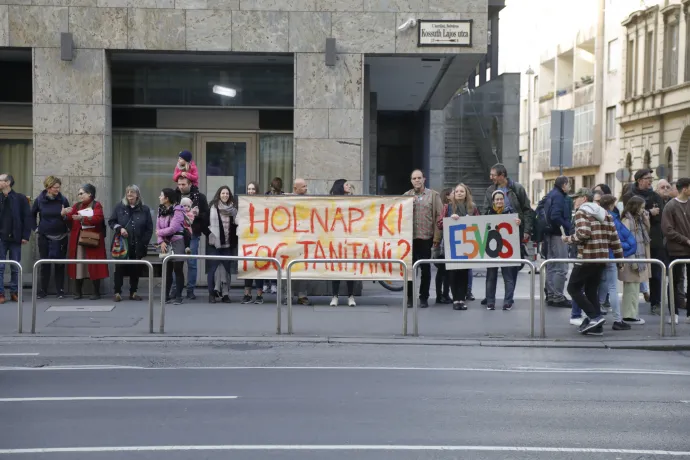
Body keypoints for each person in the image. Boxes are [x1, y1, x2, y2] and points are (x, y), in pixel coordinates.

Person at [562, 188, 623, 336]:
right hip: (601, 259)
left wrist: (568, 239)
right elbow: (615, 239)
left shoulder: (582, 212)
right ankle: (597, 327)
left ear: (583, 198)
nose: (573, 201)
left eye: (575, 198)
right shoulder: (606, 214)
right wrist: (620, 259)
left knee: (573, 288)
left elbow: (583, 233)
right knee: (590, 291)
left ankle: (595, 317)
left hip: (587, 258)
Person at [623, 169, 665, 315]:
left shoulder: (655, 196)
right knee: (633, 272)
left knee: (657, 272)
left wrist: (648, 214)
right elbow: (630, 214)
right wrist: (649, 212)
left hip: (653, 240)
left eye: (651, 179)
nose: (650, 181)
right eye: (648, 178)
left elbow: (660, 216)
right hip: (636, 241)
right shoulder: (629, 196)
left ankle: (656, 302)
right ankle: (631, 308)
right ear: (639, 180)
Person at [404, 169, 443, 309]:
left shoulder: (433, 195)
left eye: (419, 178)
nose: (417, 180)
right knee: (409, 270)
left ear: (424, 179)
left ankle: (424, 297)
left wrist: (437, 237)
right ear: (411, 181)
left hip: (427, 238)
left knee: (426, 270)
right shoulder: (406, 196)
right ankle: (409, 297)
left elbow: (440, 216)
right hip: (410, 239)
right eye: (414, 178)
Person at [437, 183, 479, 311]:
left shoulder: (472, 208)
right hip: (451, 245)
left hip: (467, 245)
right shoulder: (447, 207)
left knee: (464, 272)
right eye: (457, 191)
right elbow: (439, 223)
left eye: (462, 191)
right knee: (453, 272)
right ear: (453, 194)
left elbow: (479, 223)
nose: (459, 193)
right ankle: (456, 299)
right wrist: (449, 219)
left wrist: (470, 220)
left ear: (466, 193)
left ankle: (462, 299)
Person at [108, 185, 153, 302]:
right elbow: (112, 221)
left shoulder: (145, 209)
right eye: (127, 192)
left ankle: (133, 292)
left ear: (137, 194)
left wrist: (144, 243)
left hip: (137, 244)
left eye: (132, 192)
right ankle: (117, 292)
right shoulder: (119, 207)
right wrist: (120, 229)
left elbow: (149, 229)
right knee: (119, 268)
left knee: (135, 269)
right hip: (122, 244)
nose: (129, 195)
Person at [63, 184, 108, 300]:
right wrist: (64, 214)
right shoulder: (77, 206)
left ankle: (96, 292)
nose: (80, 196)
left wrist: (83, 218)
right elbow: (69, 217)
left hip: (92, 239)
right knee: (78, 265)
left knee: (94, 265)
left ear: (90, 194)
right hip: (78, 240)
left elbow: (98, 218)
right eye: (79, 194)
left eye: (82, 193)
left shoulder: (96, 205)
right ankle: (78, 292)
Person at [598, 194, 634, 331]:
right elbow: (619, 239)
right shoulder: (613, 218)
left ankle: (594, 316)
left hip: (598, 256)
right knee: (612, 287)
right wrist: (622, 256)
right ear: (612, 205)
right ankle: (617, 319)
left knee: (602, 285)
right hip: (611, 256)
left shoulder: (597, 216)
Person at [32, 176, 69, 300]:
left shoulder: (63, 200)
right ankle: (43, 290)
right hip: (44, 236)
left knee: (60, 264)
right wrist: (35, 228)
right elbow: (31, 215)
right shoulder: (39, 200)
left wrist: (64, 216)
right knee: (44, 263)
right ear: (48, 188)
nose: (58, 190)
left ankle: (60, 290)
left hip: (61, 236)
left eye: (59, 187)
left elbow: (68, 219)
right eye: (55, 187)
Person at [483, 190, 521, 311]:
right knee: (491, 277)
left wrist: (519, 223)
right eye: (497, 199)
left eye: (501, 199)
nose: (499, 201)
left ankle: (508, 302)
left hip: (506, 251)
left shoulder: (512, 213)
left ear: (504, 200)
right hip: (492, 251)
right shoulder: (488, 213)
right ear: (493, 201)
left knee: (508, 277)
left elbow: (518, 232)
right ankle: (490, 302)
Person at [174, 176, 209, 300]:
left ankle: (190, 290)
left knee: (192, 262)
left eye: (183, 184)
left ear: (190, 184)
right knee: (176, 263)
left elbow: (206, 214)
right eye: (179, 184)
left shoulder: (199, 197)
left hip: (193, 233)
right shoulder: (175, 196)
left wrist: (198, 214)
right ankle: (176, 290)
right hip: (177, 234)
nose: (181, 187)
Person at [661, 177, 690, 325]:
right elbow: (667, 230)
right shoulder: (670, 206)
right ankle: (674, 313)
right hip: (676, 250)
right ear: (684, 189)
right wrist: (685, 240)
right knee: (674, 281)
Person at [0, 173, 31, 304]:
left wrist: (25, 236)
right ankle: (1, 293)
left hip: (15, 237)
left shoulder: (20, 198)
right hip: (1, 237)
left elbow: (27, 218)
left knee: (15, 267)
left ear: (7, 182)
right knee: (0, 267)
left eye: (0, 180)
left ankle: (14, 292)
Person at [619, 196, 650, 325]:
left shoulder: (638, 220)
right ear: (635, 207)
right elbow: (626, 241)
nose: (643, 210)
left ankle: (632, 314)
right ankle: (629, 316)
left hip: (637, 258)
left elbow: (647, 232)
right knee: (631, 288)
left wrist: (645, 219)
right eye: (641, 207)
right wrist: (632, 259)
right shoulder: (627, 220)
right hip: (632, 259)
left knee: (634, 288)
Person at [543, 176, 573, 308]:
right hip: (558, 235)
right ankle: (558, 296)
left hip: (548, 234)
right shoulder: (560, 197)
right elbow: (556, 215)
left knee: (551, 265)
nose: (570, 188)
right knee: (561, 267)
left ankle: (550, 295)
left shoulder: (550, 194)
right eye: (569, 185)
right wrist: (568, 226)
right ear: (564, 185)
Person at [207, 185, 238, 304]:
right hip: (214, 244)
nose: (225, 195)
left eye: (227, 193)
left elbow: (236, 225)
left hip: (228, 244)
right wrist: (211, 235)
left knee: (227, 269)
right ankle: (211, 294)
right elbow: (206, 224)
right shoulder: (212, 207)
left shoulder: (233, 210)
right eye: (223, 193)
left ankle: (225, 294)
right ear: (219, 194)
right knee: (213, 269)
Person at [329, 179, 357, 307]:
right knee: (336, 267)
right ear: (340, 187)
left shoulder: (354, 201)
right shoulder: (332, 202)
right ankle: (335, 296)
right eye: (346, 184)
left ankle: (350, 296)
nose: (349, 186)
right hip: (336, 239)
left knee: (350, 267)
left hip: (350, 239)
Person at [157, 188, 186, 305]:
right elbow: (157, 227)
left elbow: (173, 228)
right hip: (165, 243)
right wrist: (160, 241)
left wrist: (159, 233)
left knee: (178, 269)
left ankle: (178, 295)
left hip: (177, 241)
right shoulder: (161, 210)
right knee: (167, 270)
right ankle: (166, 295)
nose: (159, 197)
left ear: (167, 198)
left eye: (161, 195)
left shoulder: (178, 210)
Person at [241, 182, 265, 304]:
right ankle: (247, 294)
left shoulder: (261, 204)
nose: (250, 191)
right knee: (247, 267)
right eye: (248, 189)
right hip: (246, 240)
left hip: (259, 239)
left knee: (258, 268)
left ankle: (259, 295)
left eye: (253, 189)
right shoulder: (242, 204)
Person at [289, 178, 311, 305]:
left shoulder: (310, 200)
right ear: (295, 188)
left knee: (303, 268)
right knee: (288, 269)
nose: (305, 188)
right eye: (303, 186)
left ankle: (302, 295)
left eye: (306, 186)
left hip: (305, 240)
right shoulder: (287, 201)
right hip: (290, 240)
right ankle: (288, 295)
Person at [263, 178, 283, 294]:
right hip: (266, 232)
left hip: (278, 232)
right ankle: (266, 282)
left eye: (276, 190)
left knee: (276, 258)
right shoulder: (264, 197)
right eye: (272, 190)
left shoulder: (283, 196)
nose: (274, 192)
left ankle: (274, 283)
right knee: (266, 257)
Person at [434, 188, 453, 305]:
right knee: (442, 271)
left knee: (446, 271)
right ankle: (440, 295)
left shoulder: (453, 207)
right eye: (453, 193)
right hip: (442, 243)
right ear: (447, 196)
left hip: (448, 242)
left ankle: (445, 294)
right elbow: (439, 224)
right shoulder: (445, 208)